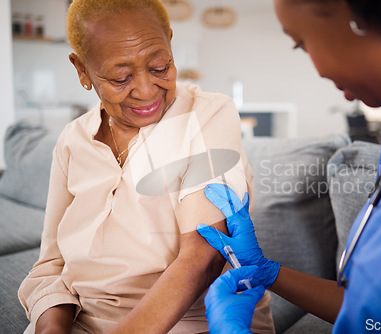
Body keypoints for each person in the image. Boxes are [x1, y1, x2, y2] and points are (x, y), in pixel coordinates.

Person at [197, 0, 381, 333]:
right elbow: (378, 312)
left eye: (301, 43)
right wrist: (267, 271)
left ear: (360, 14)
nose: (319, 70)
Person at [17, 0, 275, 333]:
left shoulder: (207, 114)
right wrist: (51, 328)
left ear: (169, 41)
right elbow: (51, 265)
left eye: (159, 66)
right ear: (81, 70)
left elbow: (203, 257)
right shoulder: (72, 140)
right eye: (120, 77)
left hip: (191, 323)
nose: (146, 90)